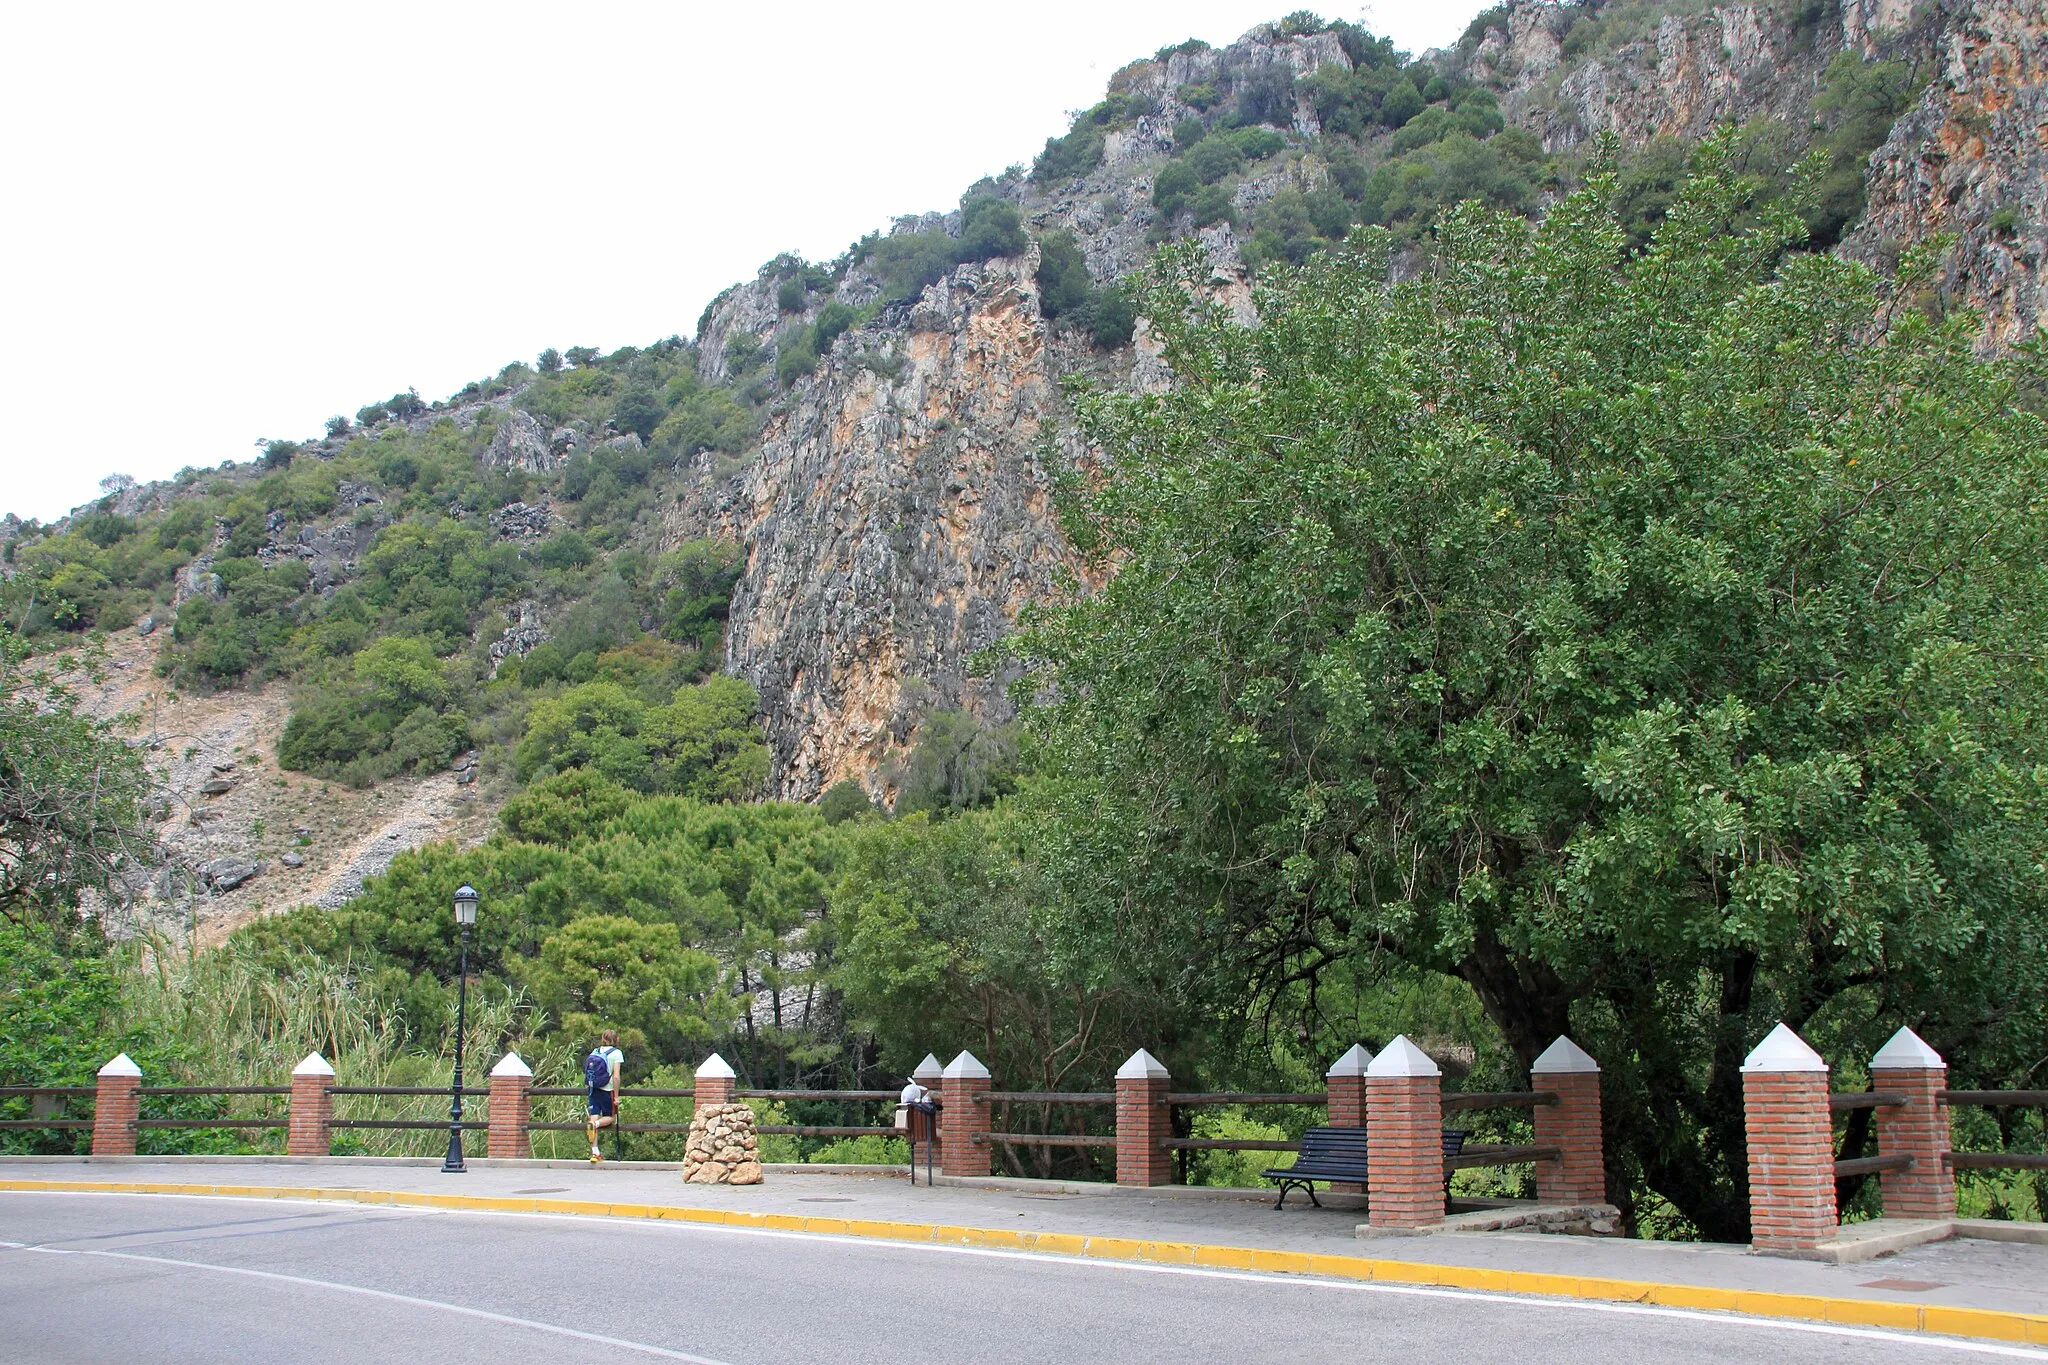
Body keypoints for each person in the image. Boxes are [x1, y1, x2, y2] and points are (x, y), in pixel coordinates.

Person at [584, 1030, 623, 1164]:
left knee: (593, 1115)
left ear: (603, 1038)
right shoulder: (616, 1053)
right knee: (610, 1118)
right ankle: (596, 1124)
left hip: (593, 1089)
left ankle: (595, 1152)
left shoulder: (595, 1051)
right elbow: (616, 1076)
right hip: (608, 1089)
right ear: (616, 1039)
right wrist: (616, 1097)